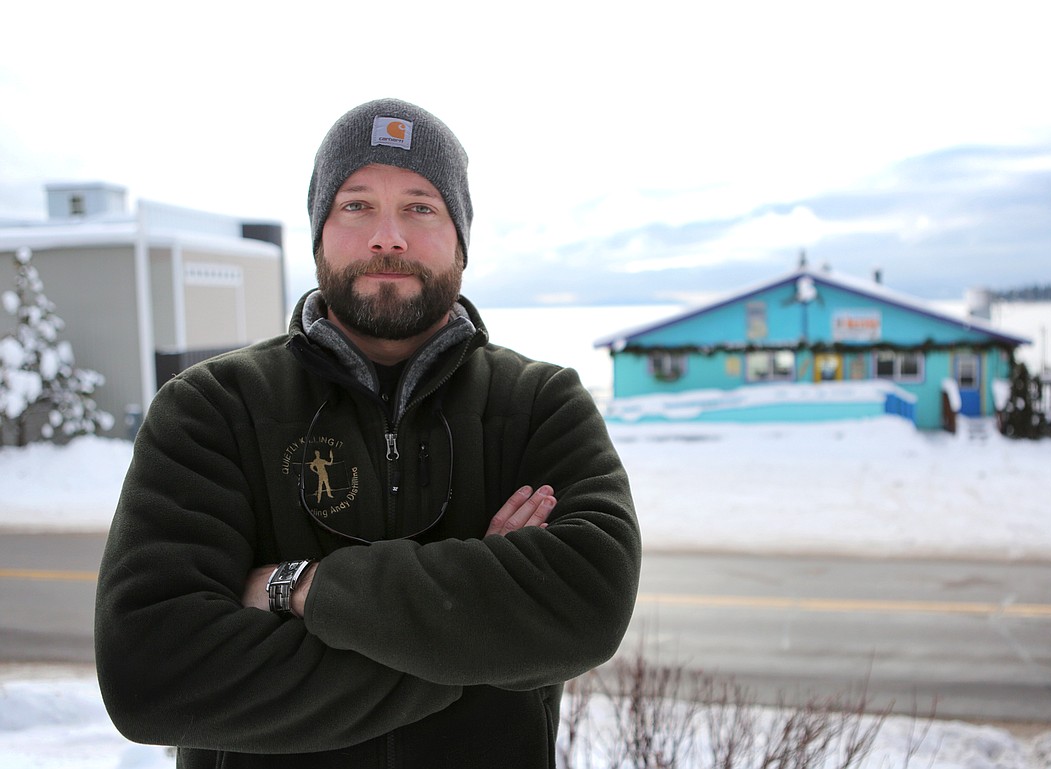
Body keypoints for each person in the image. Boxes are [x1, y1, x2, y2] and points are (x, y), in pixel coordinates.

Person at [94, 98, 641, 768]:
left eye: (420, 206)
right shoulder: (212, 409)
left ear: (460, 240)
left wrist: (297, 587)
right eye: (356, 206)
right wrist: (475, 637)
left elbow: (587, 602)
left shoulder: (539, 405)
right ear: (320, 232)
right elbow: (151, 673)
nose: (389, 237)